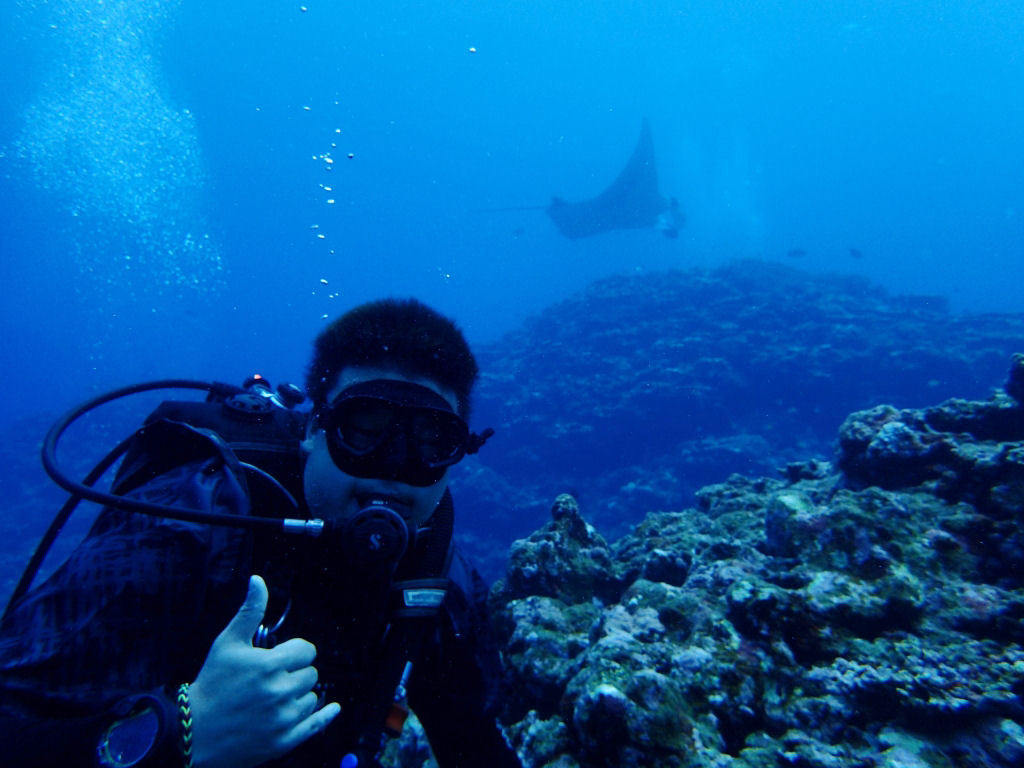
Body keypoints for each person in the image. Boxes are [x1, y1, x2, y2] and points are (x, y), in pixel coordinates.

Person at [0, 298, 522, 768]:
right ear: (314, 432)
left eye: (433, 441)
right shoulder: (189, 524)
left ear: (456, 459)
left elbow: (473, 744)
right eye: (364, 429)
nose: (393, 468)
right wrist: (179, 733)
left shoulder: (435, 579)